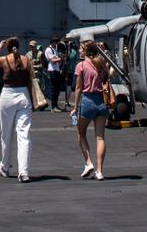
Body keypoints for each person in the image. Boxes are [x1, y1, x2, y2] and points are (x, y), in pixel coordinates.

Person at [0, 35, 38, 181]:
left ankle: (5, 166)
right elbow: (31, 78)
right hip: (24, 96)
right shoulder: (26, 60)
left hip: (7, 95)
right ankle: (24, 172)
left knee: (6, 134)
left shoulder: (4, 59)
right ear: (19, 46)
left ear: (7, 47)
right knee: (24, 135)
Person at [73, 39, 115, 179]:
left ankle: (88, 162)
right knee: (100, 137)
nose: (79, 50)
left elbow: (78, 89)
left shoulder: (81, 65)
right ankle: (100, 171)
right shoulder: (101, 63)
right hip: (102, 102)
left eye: (80, 48)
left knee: (81, 133)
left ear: (85, 51)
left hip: (88, 101)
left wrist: (75, 107)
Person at [43, 38, 66, 110]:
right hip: (52, 71)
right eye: (55, 42)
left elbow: (57, 61)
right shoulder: (48, 49)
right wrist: (61, 58)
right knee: (54, 89)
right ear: (52, 42)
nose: (56, 44)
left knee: (57, 89)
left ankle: (56, 106)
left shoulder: (55, 49)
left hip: (57, 70)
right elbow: (52, 60)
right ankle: (53, 107)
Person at [26, 41, 49, 110]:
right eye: (30, 46)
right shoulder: (28, 54)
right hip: (31, 75)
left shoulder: (40, 54)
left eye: (33, 46)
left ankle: (42, 105)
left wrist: (39, 67)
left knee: (40, 90)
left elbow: (44, 64)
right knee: (31, 90)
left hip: (39, 74)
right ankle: (33, 105)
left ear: (36, 46)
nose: (31, 47)